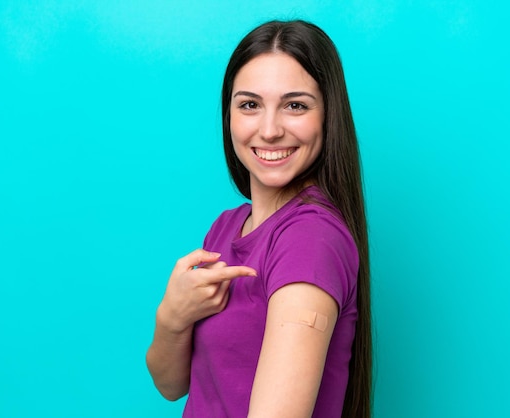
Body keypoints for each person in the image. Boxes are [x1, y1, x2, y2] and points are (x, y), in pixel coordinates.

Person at [146, 20, 371, 418]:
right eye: (250, 104)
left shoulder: (310, 240)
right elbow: (171, 384)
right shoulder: (225, 227)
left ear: (327, 116)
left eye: (295, 105)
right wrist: (172, 316)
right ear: (228, 114)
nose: (269, 130)